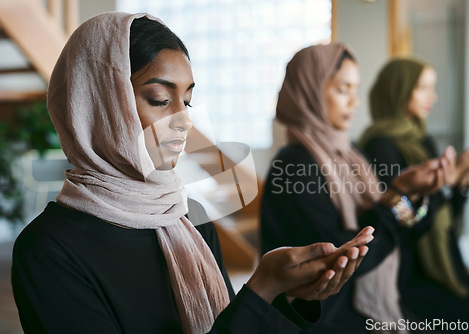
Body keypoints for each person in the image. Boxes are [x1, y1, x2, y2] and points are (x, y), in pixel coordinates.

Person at [11, 13, 374, 334]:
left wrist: (283, 297)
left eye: (187, 101)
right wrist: (261, 289)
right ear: (98, 105)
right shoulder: (48, 251)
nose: (184, 121)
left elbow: (230, 324)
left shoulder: (189, 217)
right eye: (159, 99)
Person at [260, 44, 450, 333]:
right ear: (308, 92)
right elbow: (342, 261)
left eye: (355, 90)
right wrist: (397, 194)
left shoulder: (352, 154)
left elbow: (400, 234)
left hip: (367, 302)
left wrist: (421, 193)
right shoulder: (294, 165)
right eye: (342, 89)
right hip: (323, 318)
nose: (354, 102)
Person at [359, 58, 469, 324]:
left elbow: (449, 217)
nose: (432, 96)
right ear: (398, 90)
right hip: (412, 276)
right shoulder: (380, 147)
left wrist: (461, 179)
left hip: (448, 266)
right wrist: (446, 182)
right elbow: (402, 224)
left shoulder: (423, 140)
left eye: (432, 87)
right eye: (422, 87)